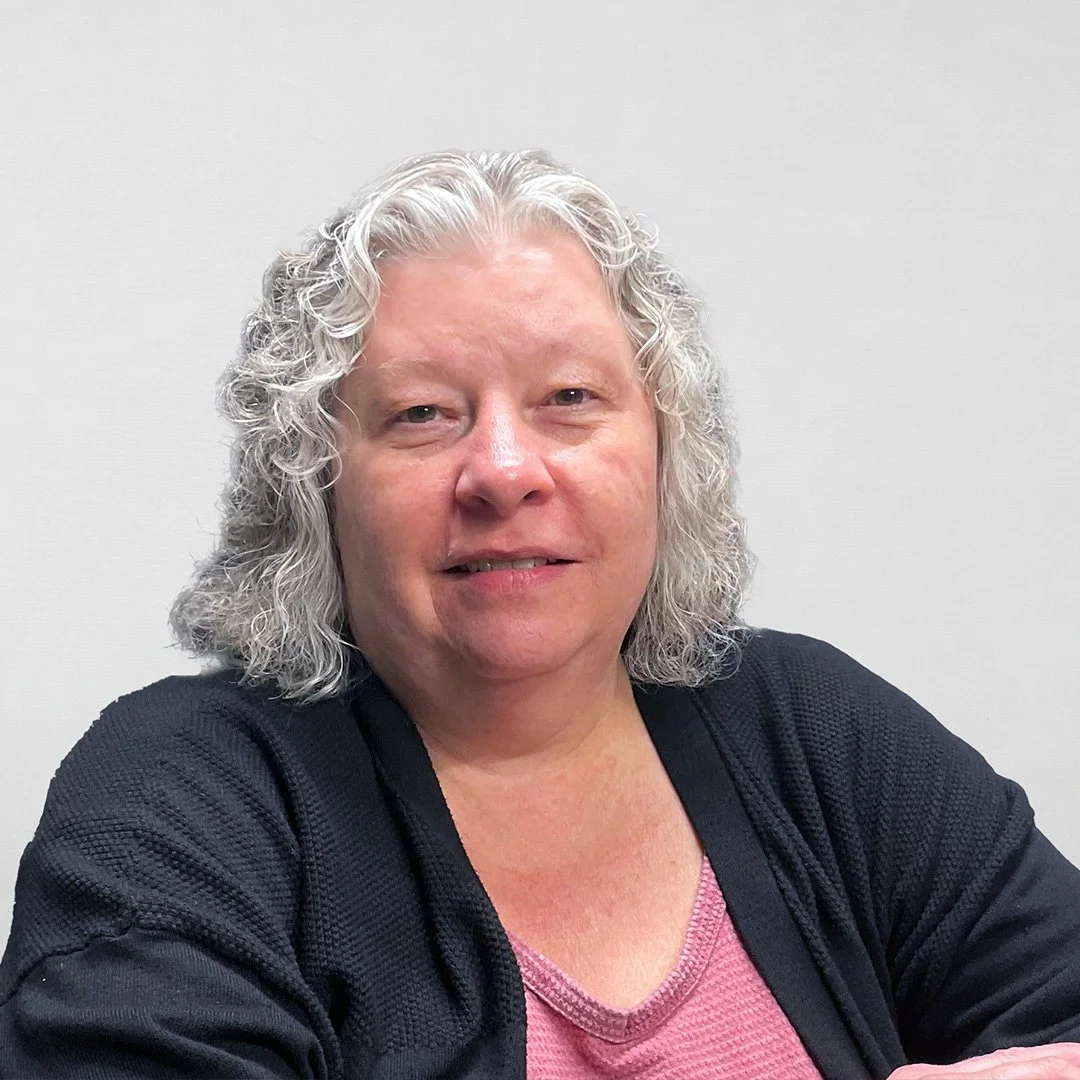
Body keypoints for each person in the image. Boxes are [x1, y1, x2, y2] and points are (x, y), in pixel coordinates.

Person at [0, 150, 1077, 1080]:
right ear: (315, 488)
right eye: (423, 415)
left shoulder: (811, 730)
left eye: (570, 399)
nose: (504, 472)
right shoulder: (180, 801)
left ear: (664, 453)